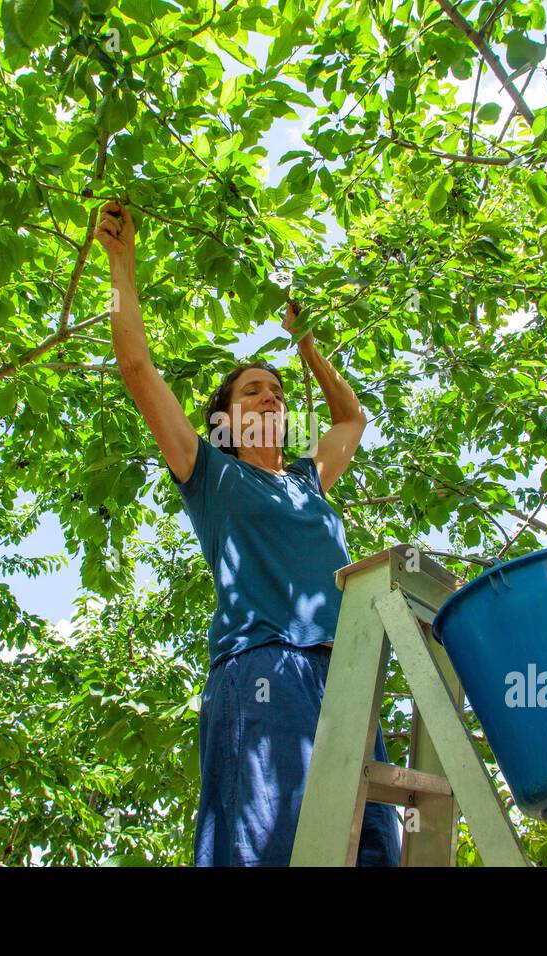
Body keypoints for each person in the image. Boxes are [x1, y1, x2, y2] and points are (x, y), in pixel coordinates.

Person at [94, 199, 401, 867]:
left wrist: (307, 346)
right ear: (223, 423)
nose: (270, 398)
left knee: (371, 846)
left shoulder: (309, 478)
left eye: (277, 392)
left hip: (343, 671)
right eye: (253, 391)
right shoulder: (211, 475)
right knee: (270, 842)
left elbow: (351, 419)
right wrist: (122, 264)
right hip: (263, 666)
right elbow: (138, 373)